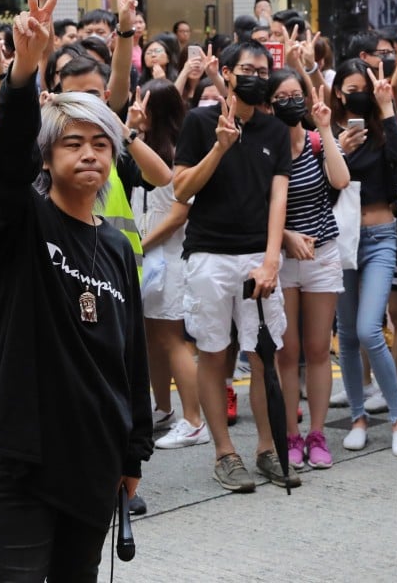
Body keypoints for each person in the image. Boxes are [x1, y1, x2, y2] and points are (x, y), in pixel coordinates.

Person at [0, 0, 152, 582]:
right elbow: (2, 163)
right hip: (23, 452)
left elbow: (132, 361)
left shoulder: (116, 247)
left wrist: (134, 454)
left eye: (103, 144)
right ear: (47, 158)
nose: (90, 154)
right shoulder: (21, 224)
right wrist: (24, 71)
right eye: (72, 142)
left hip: (94, 457)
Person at [173, 40, 298, 491]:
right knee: (213, 354)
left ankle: (268, 448)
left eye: (264, 71)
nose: (257, 77)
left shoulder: (275, 131)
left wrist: (270, 261)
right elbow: (182, 188)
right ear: (226, 73)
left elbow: (278, 200)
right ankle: (225, 454)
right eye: (247, 69)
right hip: (208, 254)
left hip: (256, 257)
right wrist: (220, 148)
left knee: (263, 354)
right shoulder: (200, 121)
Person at [329, 58, 397, 456]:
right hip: (342, 241)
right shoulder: (329, 133)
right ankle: (359, 417)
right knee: (346, 335)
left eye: (363, 86)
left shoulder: (383, 130)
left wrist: (387, 107)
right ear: (338, 92)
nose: (357, 93)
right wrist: (339, 153)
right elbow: (322, 190)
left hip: (381, 237)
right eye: (351, 87)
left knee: (368, 329)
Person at [267, 69, 350, 471]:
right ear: (268, 104)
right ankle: (289, 435)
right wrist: (285, 237)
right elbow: (254, 206)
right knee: (287, 353)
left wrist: (325, 128)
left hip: (322, 254)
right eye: (281, 97)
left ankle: (317, 434)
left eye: (296, 94)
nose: (290, 102)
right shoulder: (263, 148)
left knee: (318, 350)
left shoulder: (318, 142)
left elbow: (341, 179)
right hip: (281, 260)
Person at [127, 79, 206, 451]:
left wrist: (139, 247)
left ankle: (194, 420)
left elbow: (178, 215)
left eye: (143, 98)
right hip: (151, 256)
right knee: (152, 339)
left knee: (172, 339)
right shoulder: (147, 149)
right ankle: (162, 408)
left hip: (169, 257)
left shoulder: (177, 152)